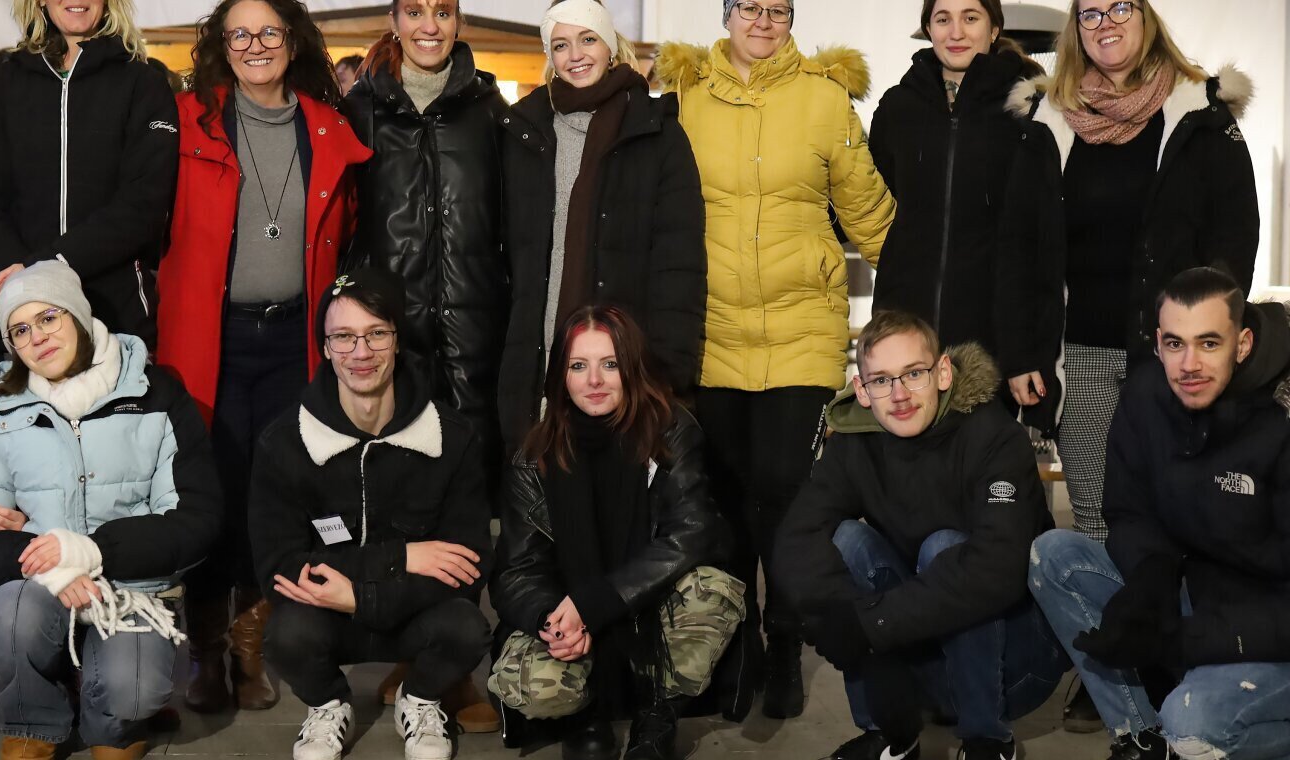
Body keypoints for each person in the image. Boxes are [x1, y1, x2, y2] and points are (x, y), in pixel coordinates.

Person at [1027, 268, 1290, 760]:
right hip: (1203, 602)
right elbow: (1130, 510)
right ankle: (1143, 741)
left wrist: (1177, 641)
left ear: (1243, 344)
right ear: (1158, 342)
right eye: (1175, 344)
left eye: (1209, 343)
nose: (1189, 364)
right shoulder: (1148, 397)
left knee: (1193, 720)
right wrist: (1150, 578)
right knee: (1054, 556)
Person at [654, 0, 894, 721]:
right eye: (749, 7)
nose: (763, 21)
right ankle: (736, 649)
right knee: (724, 502)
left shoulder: (825, 99)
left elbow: (870, 212)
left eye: (778, 9)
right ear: (726, 15)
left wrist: (918, 304)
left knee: (789, 502)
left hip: (802, 334)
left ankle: (785, 638)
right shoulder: (686, 98)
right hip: (713, 333)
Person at [157, 0, 371, 715]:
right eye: (239, 33)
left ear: (293, 39)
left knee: (272, 495)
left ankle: (251, 651)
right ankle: (206, 651)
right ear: (221, 45)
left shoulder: (327, 125)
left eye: (268, 31)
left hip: (293, 339)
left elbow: (350, 228)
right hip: (208, 337)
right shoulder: (188, 121)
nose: (255, 45)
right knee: (208, 489)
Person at [0, 261, 221, 760]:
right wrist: (43, 558)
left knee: (134, 687)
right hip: (42, 583)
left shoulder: (156, 394)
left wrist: (90, 550)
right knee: (12, 616)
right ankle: (36, 720)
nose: (38, 338)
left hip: (132, 587)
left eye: (49, 317)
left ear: (78, 313)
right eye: (20, 330)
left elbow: (195, 517)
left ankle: (111, 721)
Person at [1007, 0, 1256, 545]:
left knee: (1174, 520)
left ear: (1146, 18)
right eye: (1091, 14)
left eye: (1120, 7)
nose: (1107, 23)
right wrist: (1024, 353)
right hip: (1080, 357)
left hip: (1172, 356)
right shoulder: (1048, 120)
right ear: (1077, 30)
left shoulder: (1200, 114)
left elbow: (1235, 239)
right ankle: (1108, 604)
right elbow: (1021, 247)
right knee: (1096, 520)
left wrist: (1212, 338)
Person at [774, 310, 1066, 760]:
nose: (900, 395)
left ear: (943, 372)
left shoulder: (994, 437)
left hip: (1015, 664)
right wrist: (842, 622)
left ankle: (987, 740)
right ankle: (890, 732)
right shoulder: (855, 442)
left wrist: (873, 625)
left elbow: (997, 568)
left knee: (944, 547)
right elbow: (797, 536)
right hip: (921, 654)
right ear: (862, 390)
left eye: (913, 374)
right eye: (882, 380)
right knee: (846, 539)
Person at [340, 1, 509, 730]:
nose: (429, 26)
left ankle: (454, 663)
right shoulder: (361, 109)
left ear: (459, 20)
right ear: (395, 19)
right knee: (401, 498)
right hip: (396, 340)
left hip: (475, 333)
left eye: (443, 10)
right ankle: (413, 653)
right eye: (415, 11)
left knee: (466, 502)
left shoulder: (487, 110)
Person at [248, 269, 493, 760]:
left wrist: (361, 594)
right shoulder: (284, 442)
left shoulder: (452, 436)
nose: (360, 352)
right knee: (285, 634)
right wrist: (403, 558)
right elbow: (280, 567)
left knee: (468, 627)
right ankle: (328, 704)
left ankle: (419, 697)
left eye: (376, 333)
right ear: (324, 348)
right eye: (343, 336)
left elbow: (469, 565)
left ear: (397, 340)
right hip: (328, 614)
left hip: (413, 613)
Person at [489, 305, 743, 760]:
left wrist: (600, 600)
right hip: (570, 613)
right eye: (578, 366)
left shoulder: (671, 432)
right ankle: (583, 715)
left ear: (631, 367)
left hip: (647, 609)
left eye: (610, 364)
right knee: (531, 685)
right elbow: (515, 571)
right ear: (560, 376)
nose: (594, 380)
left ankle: (657, 712)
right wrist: (552, 621)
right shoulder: (533, 456)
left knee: (711, 591)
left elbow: (693, 533)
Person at [497, 0, 706, 456]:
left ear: (610, 46)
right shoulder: (522, 132)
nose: (575, 55)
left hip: (626, 367)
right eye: (560, 45)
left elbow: (679, 264)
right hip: (541, 364)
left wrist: (668, 374)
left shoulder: (657, 132)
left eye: (587, 39)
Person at [868, 0, 1048, 408]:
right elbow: (872, 204)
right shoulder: (897, 107)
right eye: (943, 19)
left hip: (989, 339)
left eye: (970, 18)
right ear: (928, 29)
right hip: (903, 336)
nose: (956, 32)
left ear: (994, 28)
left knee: (983, 447)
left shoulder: (1026, 111)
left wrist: (1025, 344)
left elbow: (1037, 232)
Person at [0, 0, 179, 342]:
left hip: (115, 315)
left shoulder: (144, 84)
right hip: (19, 311)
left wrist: (45, 266)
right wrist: (20, 278)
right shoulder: (2, 83)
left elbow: (143, 205)